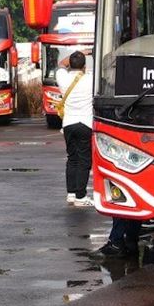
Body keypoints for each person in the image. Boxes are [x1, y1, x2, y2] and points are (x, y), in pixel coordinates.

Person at [56, 50, 94, 207]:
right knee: (84, 160)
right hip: (85, 123)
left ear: (70, 64)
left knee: (72, 158)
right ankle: (81, 196)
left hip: (68, 124)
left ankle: (71, 193)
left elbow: (60, 64)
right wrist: (89, 52)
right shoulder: (90, 79)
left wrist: (80, 52)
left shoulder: (62, 77)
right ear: (84, 66)